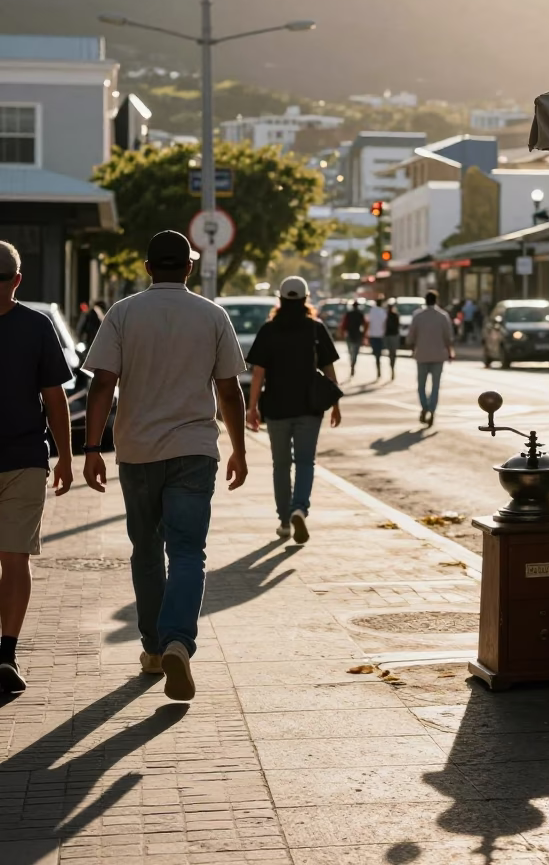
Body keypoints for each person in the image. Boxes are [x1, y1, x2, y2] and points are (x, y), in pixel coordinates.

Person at [83, 230, 249, 703]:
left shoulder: (124, 313)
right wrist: (238, 448)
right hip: (195, 450)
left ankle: (155, 650)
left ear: (149, 267)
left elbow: (102, 386)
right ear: (190, 268)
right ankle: (179, 640)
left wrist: (93, 449)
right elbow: (229, 391)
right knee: (189, 551)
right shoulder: (213, 315)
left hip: (137, 452)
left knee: (146, 550)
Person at [0, 241, 74, 694]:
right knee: (15, 557)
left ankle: (5, 653)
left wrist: (65, 455)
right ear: (20, 279)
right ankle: (6, 651)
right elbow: (55, 397)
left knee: (13, 556)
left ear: (15, 281)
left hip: (26, 458)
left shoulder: (37, 326)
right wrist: (65, 455)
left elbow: (54, 396)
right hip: (27, 456)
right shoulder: (36, 323)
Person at [245, 276, 342, 542]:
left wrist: (252, 408)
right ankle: (299, 507)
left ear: (280, 299)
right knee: (305, 462)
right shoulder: (315, 329)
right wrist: (335, 405)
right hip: (310, 407)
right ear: (305, 299)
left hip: (276, 407)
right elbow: (329, 370)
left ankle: (285, 522)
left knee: (280, 465)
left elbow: (258, 374)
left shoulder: (269, 330)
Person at [405, 289, 454, 428]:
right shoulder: (443, 316)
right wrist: (450, 352)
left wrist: (412, 349)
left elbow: (411, 336)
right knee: (435, 386)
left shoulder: (418, 316)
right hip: (439, 355)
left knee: (421, 385)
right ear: (436, 300)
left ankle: (425, 406)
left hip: (422, 355)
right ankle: (432, 410)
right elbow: (448, 337)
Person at [339, 301, 366, 377]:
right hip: (357, 335)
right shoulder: (360, 314)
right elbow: (365, 324)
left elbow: (344, 325)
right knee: (355, 352)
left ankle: (352, 363)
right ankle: (353, 363)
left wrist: (342, 333)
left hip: (350, 335)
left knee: (351, 351)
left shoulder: (349, 314)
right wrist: (364, 334)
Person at [365, 296, 388, 380]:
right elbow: (384, 324)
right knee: (378, 354)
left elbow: (368, 323)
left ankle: (378, 367)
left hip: (373, 335)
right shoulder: (383, 312)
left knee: (376, 354)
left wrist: (366, 335)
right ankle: (379, 368)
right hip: (380, 335)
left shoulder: (372, 311)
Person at [384, 299, 401, 380]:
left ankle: (392, 367)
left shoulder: (387, 316)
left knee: (391, 354)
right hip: (393, 336)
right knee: (393, 354)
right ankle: (392, 368)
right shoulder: (394, 315)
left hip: (390, 336)